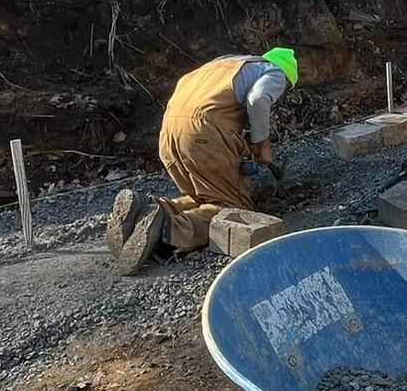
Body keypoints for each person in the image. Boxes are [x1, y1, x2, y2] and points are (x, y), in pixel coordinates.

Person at [107, 47, 297, 274]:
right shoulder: (274, 71)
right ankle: (169, 231)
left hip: (169, 133)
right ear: (286, 75)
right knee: (231, 208)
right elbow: (258, 99)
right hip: (203, 132)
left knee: (201, 196)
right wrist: (262, 144)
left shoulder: (222, 65)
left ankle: (148, 210)